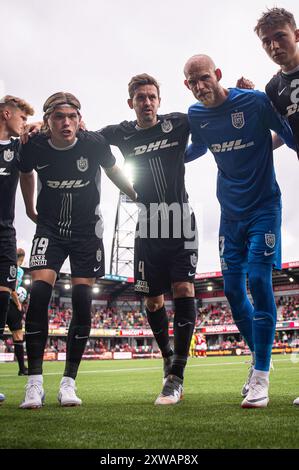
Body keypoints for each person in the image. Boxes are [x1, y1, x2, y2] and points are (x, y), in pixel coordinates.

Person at [184, 54, 295, 408]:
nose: (199, 86)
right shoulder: (195, 115)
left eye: (204, 77)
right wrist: (158, 157)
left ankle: (261, 376)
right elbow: (197, 149)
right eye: (192, 81)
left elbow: (290, 137)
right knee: (233, 290)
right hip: (229, 215)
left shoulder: (253, 101)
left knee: (260, 282)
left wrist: (281, 128)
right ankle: (258, 357)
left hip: (264, 207)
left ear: (217, 74)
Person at [18, 92, 136, 409]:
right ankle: (34, 384)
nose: (66, 122)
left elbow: (114, 173)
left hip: (87, 231)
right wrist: (30, 209)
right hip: (50, 229)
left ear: (79, 119)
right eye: (59, 117)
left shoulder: (94, 143)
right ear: (47, 122)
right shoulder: (34, 145)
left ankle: (68, 383)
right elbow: (25, 173)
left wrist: (136, 193)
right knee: (39, 294)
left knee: (82, 302)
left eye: (71, 116)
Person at [100, 74, 198, 405]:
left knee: (184, 288)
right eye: (140, 97)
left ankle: (176, 376)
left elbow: (213, 116)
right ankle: (168, 355)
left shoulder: (178, 124)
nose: (147, 102)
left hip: (180, 220)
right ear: (131, 103)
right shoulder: (121, 133)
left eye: (152, 96)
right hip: (147, 226)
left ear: (159, 99)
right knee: (153, 301)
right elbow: (87, 140)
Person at [254, 7, 299, 406]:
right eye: (266, 41)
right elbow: (281, 134)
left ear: (296, 33)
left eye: (279, 37)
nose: (273, 46)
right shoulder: (272, 88)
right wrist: (248, 149)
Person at [0, 95, 35, 404]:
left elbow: (27, 174)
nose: (23, 123)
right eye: (21, 117)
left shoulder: (17, 148)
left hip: (4, 235)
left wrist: (31, 210)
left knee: (2, 298)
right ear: (6, 113)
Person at [6, 247, 28, 375]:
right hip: (10, 303)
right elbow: (12, 288)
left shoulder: (5, 265)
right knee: (18, 335)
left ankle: (22, 369)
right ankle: (22, 369)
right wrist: (18, 303)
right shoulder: (18, 270)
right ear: (22, 258)